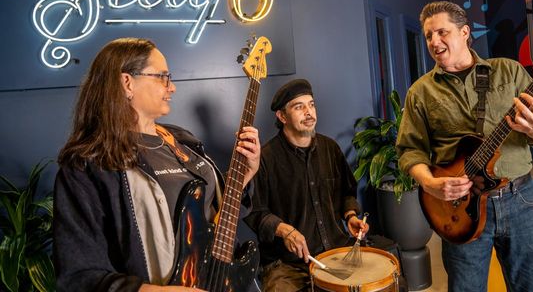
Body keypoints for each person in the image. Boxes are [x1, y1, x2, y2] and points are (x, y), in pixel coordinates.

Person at [53, 37, 261, 292]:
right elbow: (78, 276)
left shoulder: (182, 140)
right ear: (127, 83)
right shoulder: (87, 165)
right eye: (162, 76)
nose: (172, 87)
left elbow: (212, 219)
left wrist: (243, 177)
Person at [396, 1, 533, 292]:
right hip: (459, 209)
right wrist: (430, 184)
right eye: (428, 35)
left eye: (442, 32)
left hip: (520, 200)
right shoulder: (420, 92)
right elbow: (410, 150)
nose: (434, 41)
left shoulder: (509, 72)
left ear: (464, 32)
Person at [244, 79, 369, 291]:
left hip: (336, 251)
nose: (308, 112)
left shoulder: (330, 148)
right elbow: (254, 211)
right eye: (299, 107)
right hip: (288, 264)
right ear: (282, 116)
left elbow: (346, 193)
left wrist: (350, 216)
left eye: (311, 105)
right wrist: (284, 230)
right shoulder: (264, 158)